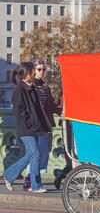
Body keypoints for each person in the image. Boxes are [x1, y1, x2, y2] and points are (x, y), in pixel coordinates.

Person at [3, 62, 52, 193]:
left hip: (35, 127)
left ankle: (34, 184)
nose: (35, 73)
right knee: (34, 153)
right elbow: (19, 112)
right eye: (33, 71)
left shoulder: (32, 88)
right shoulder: (19, 90)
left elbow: (37, 109)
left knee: (33, 154)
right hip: (26, 128)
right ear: (28, 74)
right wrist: (30, 123)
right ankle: (15, 177)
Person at [22, 59, 61, 190]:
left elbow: (50, 104)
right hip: (34, 124)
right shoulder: (30, 85)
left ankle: (30, 179)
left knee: (43, 152)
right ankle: (29, 180)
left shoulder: (44, 86)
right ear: (33, 70)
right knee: (35, 153)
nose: (42, 72)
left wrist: (61, 110)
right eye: (39, 69)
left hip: (44, 123)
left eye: (44, 69)